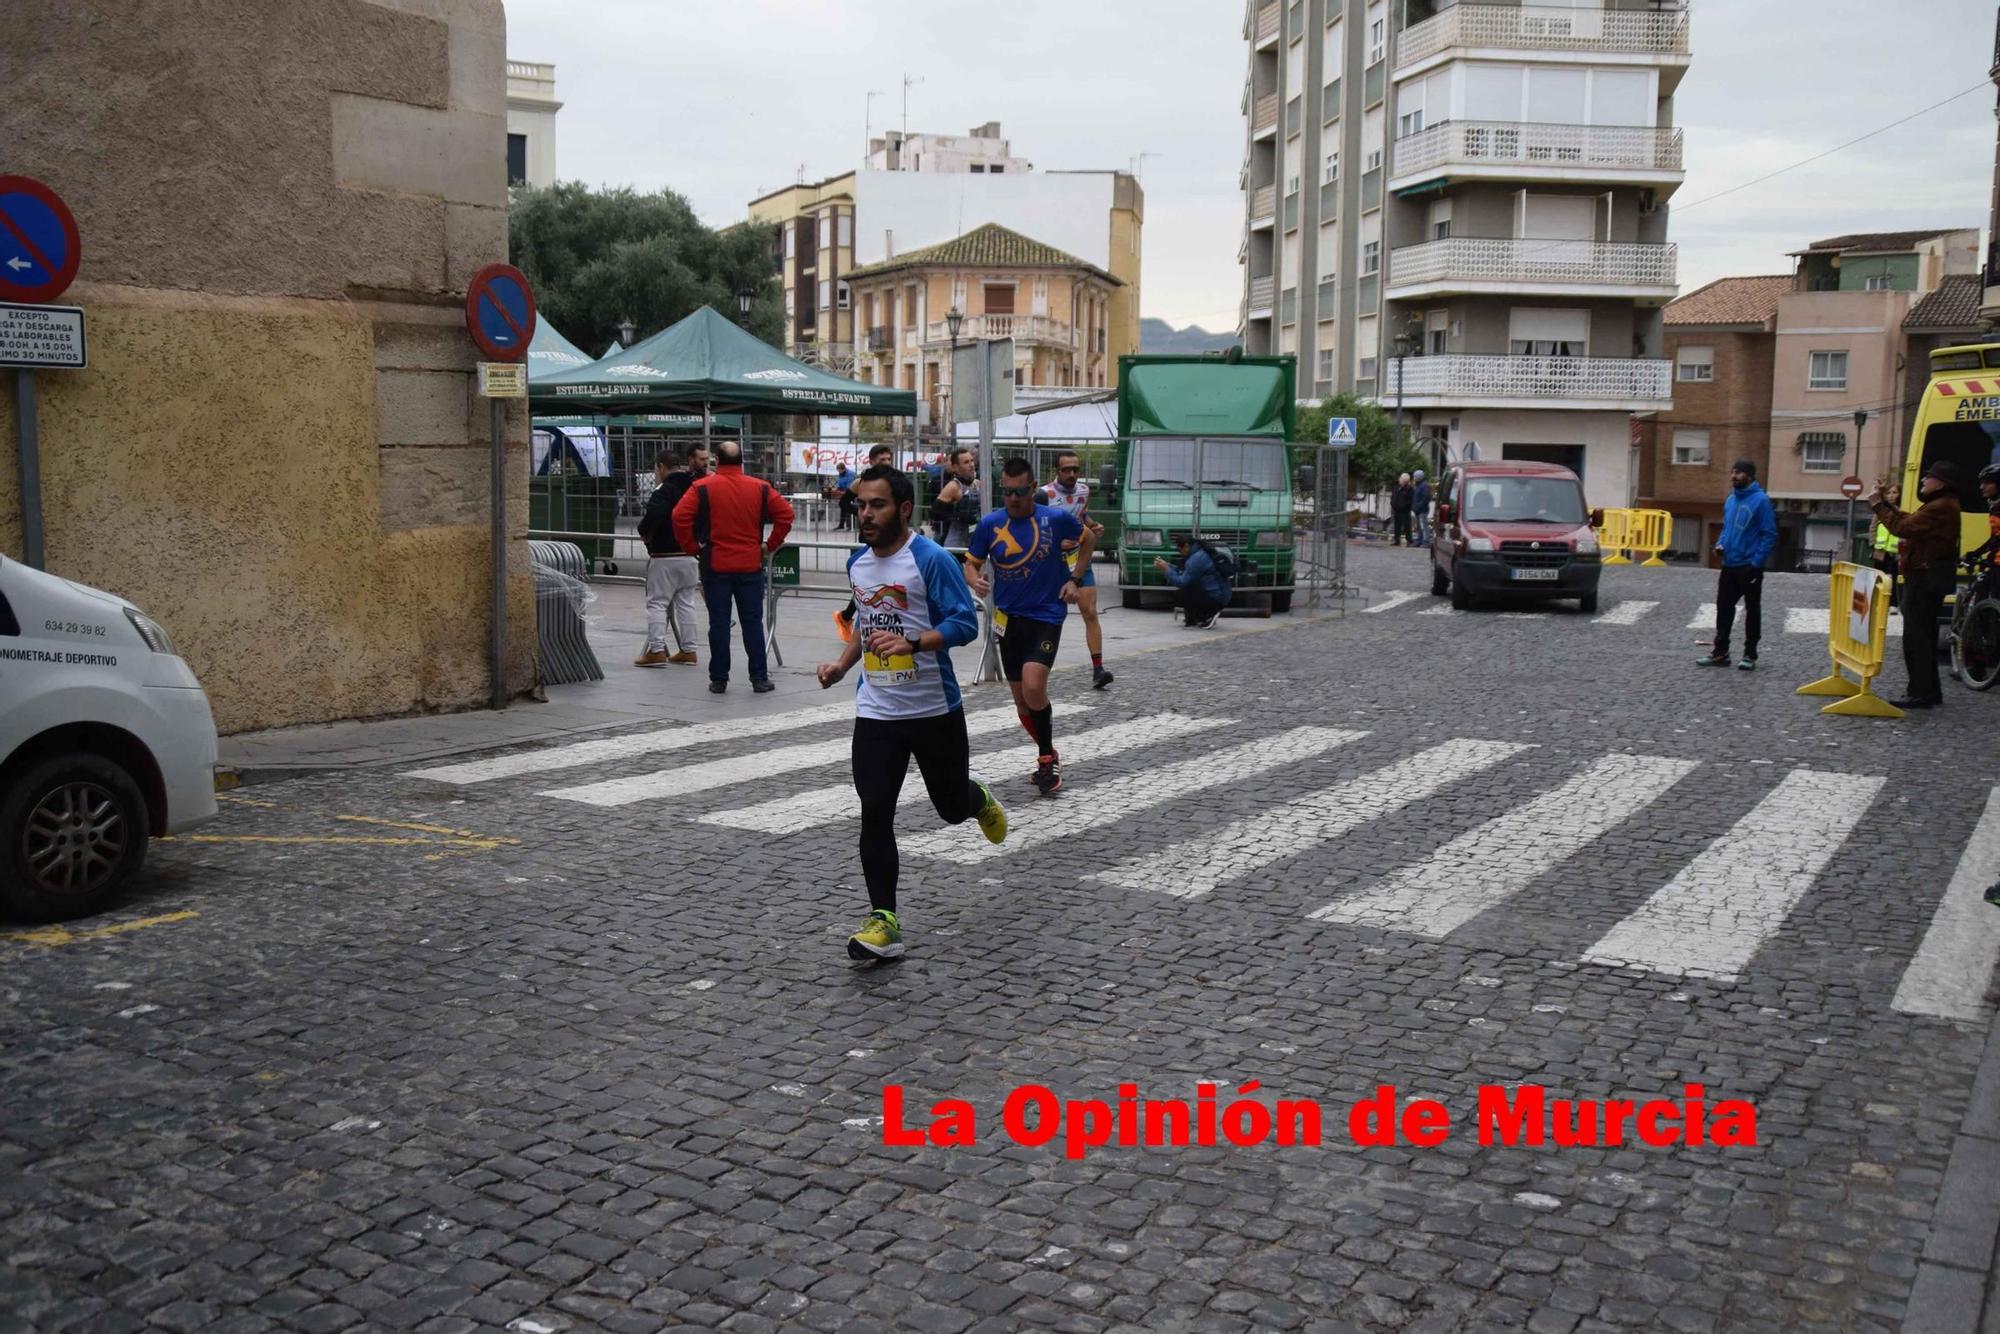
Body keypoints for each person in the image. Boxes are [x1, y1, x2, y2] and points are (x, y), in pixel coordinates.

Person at [817, 465, 1008, 962]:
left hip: (933, 710)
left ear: (903, 509)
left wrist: (914, 641)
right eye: (861, 505)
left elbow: (965, 623)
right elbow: (865, 618)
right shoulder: (858, 563)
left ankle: (976, 798)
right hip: (877, 711)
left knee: (948, 807)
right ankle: (885, 921)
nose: (865, 513)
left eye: (876, 505)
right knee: (875, 812)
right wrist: (841, 666)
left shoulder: (929, 558)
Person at [964, 456, 1095, 796]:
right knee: (1022, 703)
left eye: (1020, 491)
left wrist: (1075, 580)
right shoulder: (990, 524)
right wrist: (975, 580)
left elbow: (1089, 541)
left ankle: (1046, 759)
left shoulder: (1054, 519)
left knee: (1035, 687)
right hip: (1008, 621)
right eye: (1007, 492)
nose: (1013, 499)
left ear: (1033, 488)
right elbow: (971, 562)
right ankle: (1049, 752)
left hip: (1046, 616)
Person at [673, 440, 794, 694]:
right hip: (750, 563)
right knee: (752, 622)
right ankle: (759, 678)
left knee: (719, 622)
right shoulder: (760, 488)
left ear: (716, 460)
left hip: (715, 563)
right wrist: (770, 545)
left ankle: (719, 679)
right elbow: (785, 514)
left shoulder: (701, 488)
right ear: (742, 461)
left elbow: (679, 516)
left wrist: (693, 547)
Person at [1868, 459, 1964, 709]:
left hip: (1925, 577)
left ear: (1940, 483)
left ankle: (1920, 692)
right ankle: (1929, 690)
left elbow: (1902, 526)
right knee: (1924, 635)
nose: (1923, 480)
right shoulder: (1941, 505)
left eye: (1928, 477)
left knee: (1917, 637)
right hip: (1927, 574)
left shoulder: (1941, 507)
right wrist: (1886, 503)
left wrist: (1878, 505)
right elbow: (1909, 519)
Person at [1038, 450, 1113, 689]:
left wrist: (1092, 526)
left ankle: (1098, 669)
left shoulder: (1084, 491)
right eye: (1066, 470)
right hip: (1051, 561)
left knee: (1090, 611)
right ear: (1057, 472)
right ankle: (1036, 666)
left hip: (1079, 558)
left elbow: (1082, 515)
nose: (1071, 474)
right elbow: (1035, 527)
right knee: (1046, 615)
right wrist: (1056, 542)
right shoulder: (1044, 494)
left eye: (1075, 470)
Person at [1696, 459, 1778, 671]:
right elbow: (1726, 528)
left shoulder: (1761, 501)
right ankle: (1720, 652)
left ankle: (1750, 654)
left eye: (1738, 473)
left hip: (1749, 566)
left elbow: (1769, 534)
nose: (1733, 476)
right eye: (1732, 472)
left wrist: (1757, 562)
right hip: (1729, 564)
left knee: (1752, 610)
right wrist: (1721, 544)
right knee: (1724, 608)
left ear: (1749, 476)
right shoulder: (1731, 500)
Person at [635, 444, 707, 667]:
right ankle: (689, 650)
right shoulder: (696, 487)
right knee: (686, 602)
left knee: (657, 602)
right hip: (690, 554)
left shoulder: (663, 490)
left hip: (664, 554)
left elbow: (655, 512)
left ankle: (656, 650)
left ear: (661, 467)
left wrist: (644, 531)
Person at [833, 445, 897, 645]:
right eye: (881, 460)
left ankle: (847, 616)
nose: (886, 463)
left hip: (893, 537)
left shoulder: (895, 481)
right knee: (871, 584)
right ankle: (848, 618)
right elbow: (844, 503)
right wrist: (864, 515)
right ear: (871, 461)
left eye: (888, 459)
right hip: (871, 537)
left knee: (885, 583)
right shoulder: (861, 482)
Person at [1154, 533, 1233, 629]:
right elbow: (1186, 572)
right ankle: (1196, 618)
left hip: (1216, 597)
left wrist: (1166, 569)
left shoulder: (1197, 558)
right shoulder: (1200, 552)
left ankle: (1206, 616)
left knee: (1182, 594)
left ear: (1186, 546)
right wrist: (1169, 566)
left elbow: (1181, 582)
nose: (1179, 553)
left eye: (1179, 550)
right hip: (1220, 593)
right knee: (1188, 589)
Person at [934, 447, 981, 549]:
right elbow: (935, 512)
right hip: (956, 545)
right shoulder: (954, 486)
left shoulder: (978, 484)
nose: (971, 465)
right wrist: (958, 516)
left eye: (972, 461)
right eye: (966, 462)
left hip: (974, 541)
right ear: (956, 467)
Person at [827, 460, 857, 531]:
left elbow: (849, 486)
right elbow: (840, 484)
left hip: (852, 491)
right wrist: (836, 489)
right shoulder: (840, 474)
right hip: (843, 491)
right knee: (843, 505)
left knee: (846, 505)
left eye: (839, 471)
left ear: (843, 469)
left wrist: (841, 492)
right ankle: (841, 524)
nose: (839, 472)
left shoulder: (850, 474)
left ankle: (850, 525)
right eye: (838, 471)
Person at [1390, 473, 1414, 547]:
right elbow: (1393, 497)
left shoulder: (1409, 489)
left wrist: (1403, 506)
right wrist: (1392, 504)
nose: (1399, 479)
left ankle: (1409, 541)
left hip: (1405, 511)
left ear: (1405, 480)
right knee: (1397, 526)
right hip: (1396, 510)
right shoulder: (1397, 487)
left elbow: (1410, 501)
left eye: (1401, 478)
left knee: (1407, 526)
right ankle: (1397, 540)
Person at [1411, 469, 1433, 548]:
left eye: (1415, 476)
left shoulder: (1424, 485)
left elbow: (1425, 499)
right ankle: (1420, 540)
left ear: (1418, 477)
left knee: (1423, 526)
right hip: (1419, 510)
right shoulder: (1418, 485)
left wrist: (1417, 507)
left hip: (1422, 510)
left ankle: (1425, 541)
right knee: (1420, 526)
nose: (1413, 478)